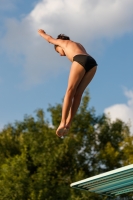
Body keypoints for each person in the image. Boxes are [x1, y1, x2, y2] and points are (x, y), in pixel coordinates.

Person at [38, 29, 97, 137]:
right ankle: (69, 123)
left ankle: (62, 122)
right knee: (78, 94)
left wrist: (42, 33)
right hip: (92, 63)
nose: (60, 55)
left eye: (57, 51)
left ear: (59, 43)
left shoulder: (61, 42)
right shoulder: (78, 44)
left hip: (80, 60)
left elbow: (50, 39)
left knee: (70, 91)